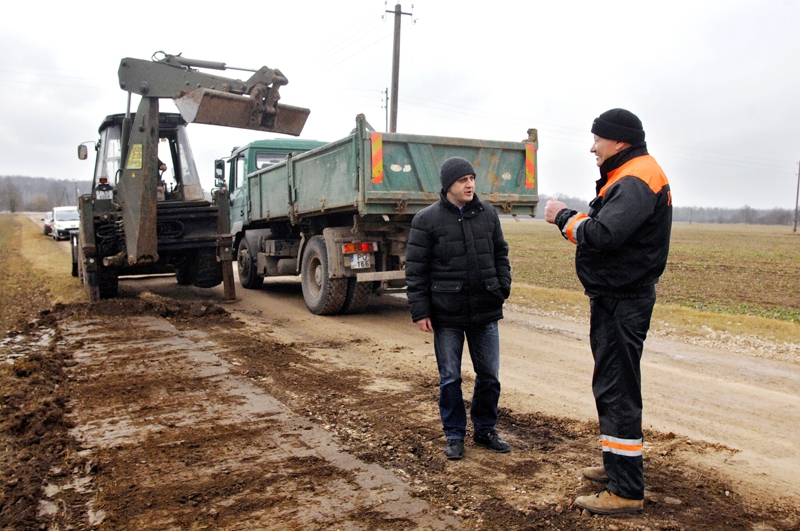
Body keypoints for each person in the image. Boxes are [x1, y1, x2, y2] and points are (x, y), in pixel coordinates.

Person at [544, 109, 672, 515]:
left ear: (618, 141)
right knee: (612, 385)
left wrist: (563, 217)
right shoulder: (631, 173)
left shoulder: (636, 178)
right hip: (616, 297)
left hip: (623, 300)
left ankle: (626, 489)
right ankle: (616, 465)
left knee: (617, 390)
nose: (592, 147)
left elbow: (602, 234)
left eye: (597, 139)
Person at [405, 156, 513, 461]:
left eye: (471, 178)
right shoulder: (426, 220)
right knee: (450, 377)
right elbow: (416, 270)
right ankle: (454, 435)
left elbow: (500, 253)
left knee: (489, 375)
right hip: (447, 312)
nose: (469, 184)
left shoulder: (488, 213)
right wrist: (420, 310)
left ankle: (485, 430)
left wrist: (501, 287)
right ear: (448, 185)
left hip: (485, 309)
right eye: (462, 180)